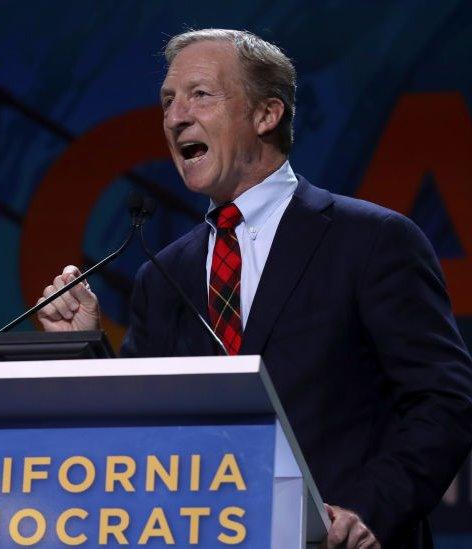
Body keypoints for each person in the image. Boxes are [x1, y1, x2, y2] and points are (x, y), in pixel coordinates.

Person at [37, 29, 472, 548]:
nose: (176, 117)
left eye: (200, 95)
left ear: (267, 115)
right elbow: (143, 434)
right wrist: (86, 350)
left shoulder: (373, 240)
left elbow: (443, 400)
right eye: (168, 102)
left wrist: (369, 509)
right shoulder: (163, 276)